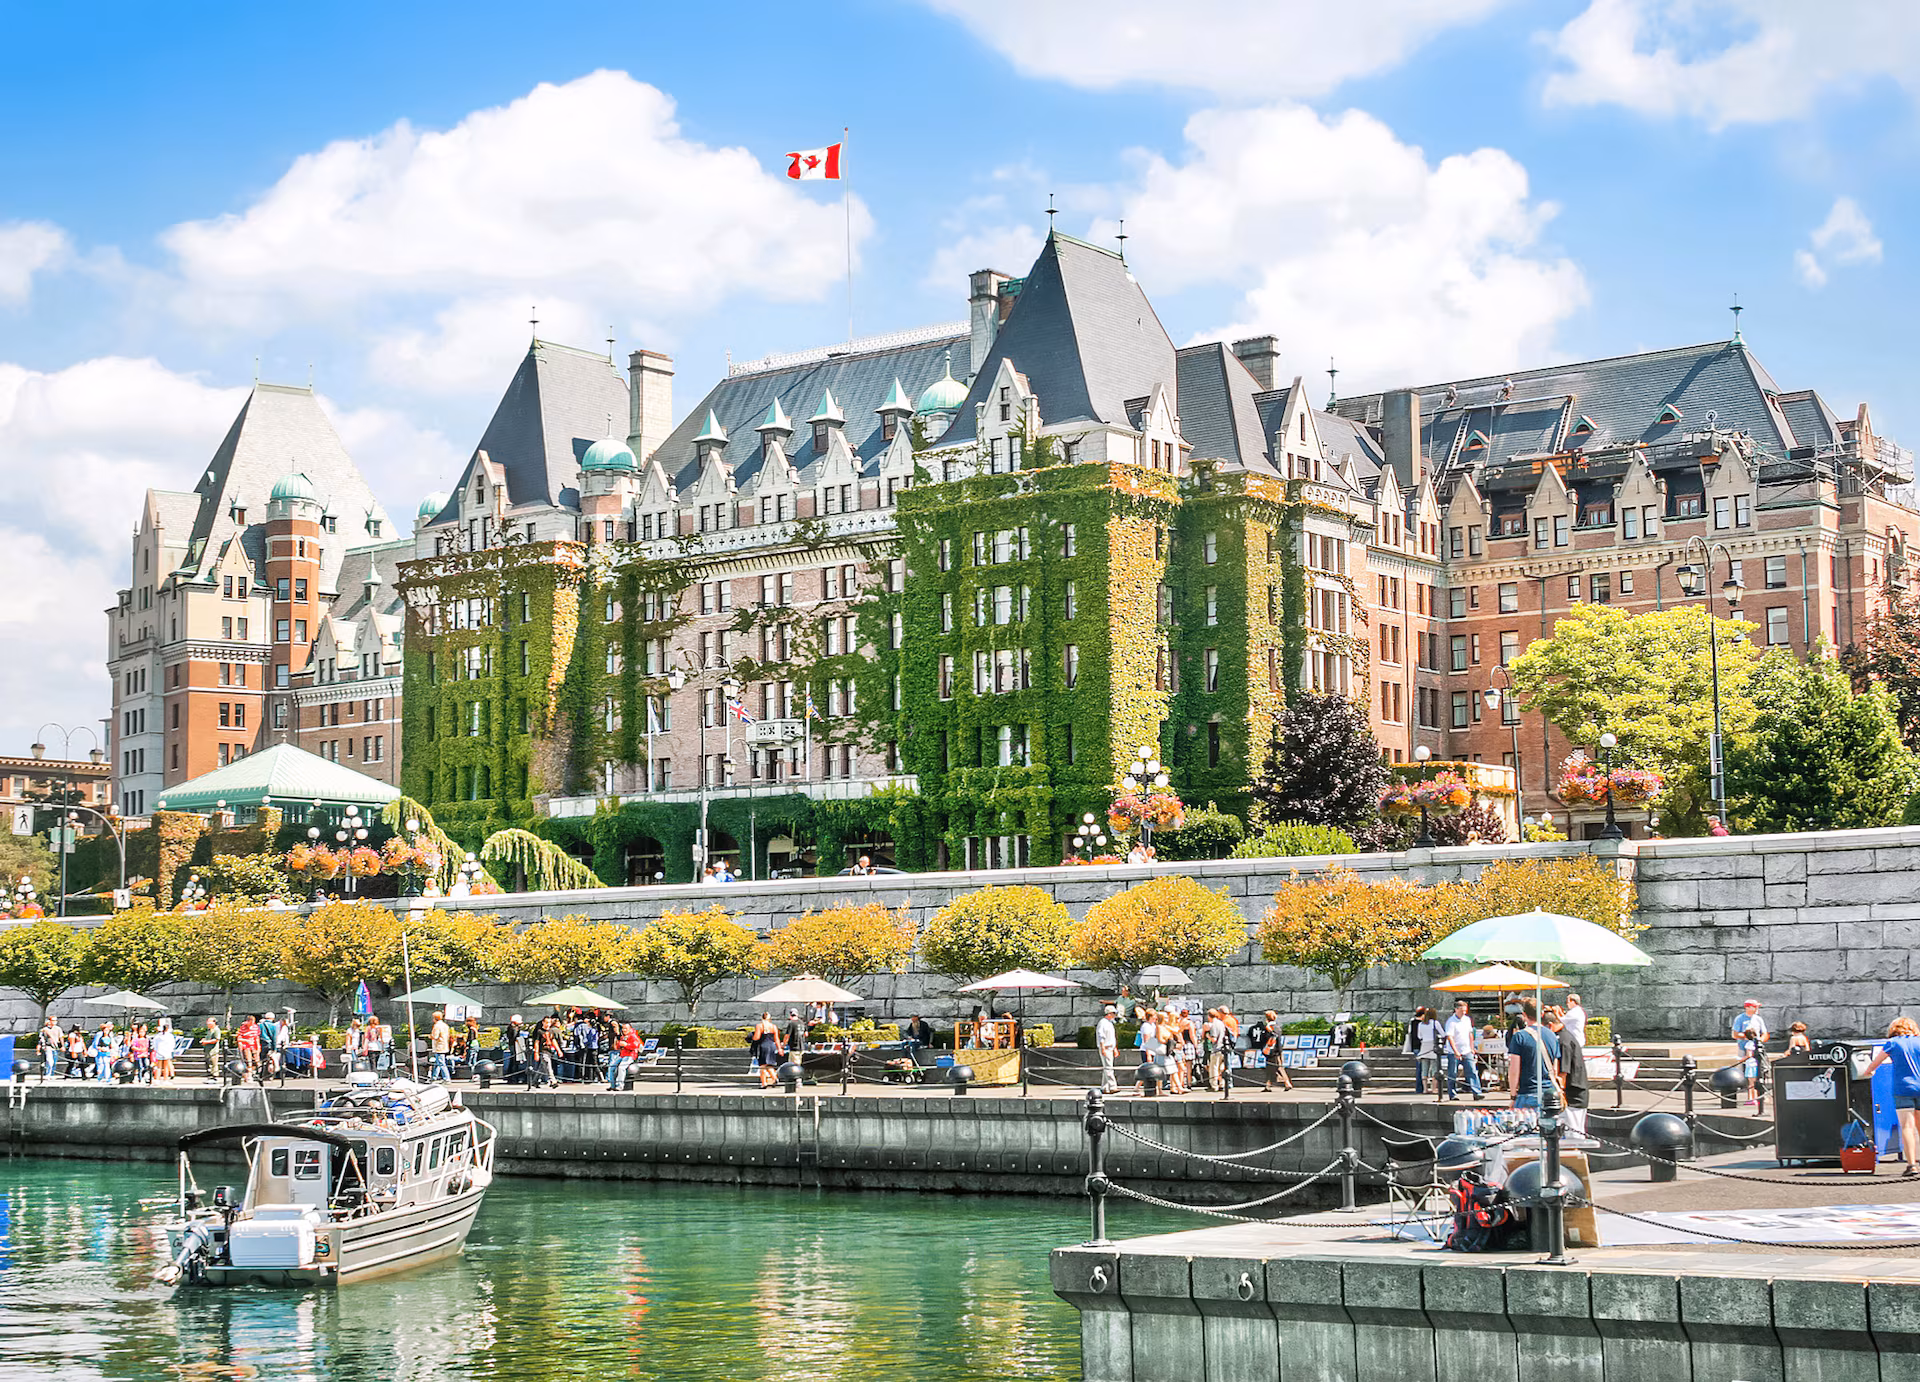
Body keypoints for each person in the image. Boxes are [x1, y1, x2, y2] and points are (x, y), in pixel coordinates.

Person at [1863, 1016, 1920, 1177]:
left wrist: (1868, 1072)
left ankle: (1912, 1165)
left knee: (1907, 1127)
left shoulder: (1893, 1043)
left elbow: (1875, 1063)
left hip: (1903, 1088)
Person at [1505, 998, 1560, 1110]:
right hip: (1549, 1093)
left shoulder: (1520, 1036)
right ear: (1542, 1014)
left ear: (1524, 1014)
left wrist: (1513, 1095)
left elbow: (1514, 1070)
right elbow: (1555, 1068)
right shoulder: (1552, 1035)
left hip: (1527, 1092)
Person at [1544, 1005, 1589, 1134]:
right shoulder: (1565, 1036)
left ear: (1550, 1026)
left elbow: (1563, 1071)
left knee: (1573, 1134)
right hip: (1575, 1092)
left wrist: (1560, 1092)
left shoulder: (1563, 1041)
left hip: (1572, 1094)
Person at [1442, 999, 1483, 1101]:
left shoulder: (1467, 1019)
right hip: (1454, 1051)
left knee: (1472, 1071)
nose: (1463, 1013)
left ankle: (1477, 1092)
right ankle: (1452, 1094)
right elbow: (1450, 1037)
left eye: (1465, 1010)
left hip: (1466, 1050)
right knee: (1453, 1073)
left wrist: (1472, 1047)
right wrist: (1456, 1051)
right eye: (1461, 1010)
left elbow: (1470, 1034)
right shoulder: (1451, 1021)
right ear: (1456, 1009)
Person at [1732, 999, 1770, 1105]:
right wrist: (1748, 1037)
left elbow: (1765, 1033)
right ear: (1748, 1007)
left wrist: (1759, 1041)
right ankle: (1749, 1094)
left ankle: (1760, 1094)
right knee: (1745, 1072)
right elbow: (1735, 1034)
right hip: (1744, 1048)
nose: (1757, 1009)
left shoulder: (1758, 1019)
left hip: (1756, 1049)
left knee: (1761, 1071)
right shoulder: (1740, 1018)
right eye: (1754, 1006)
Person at [1408, 1006, 1441, 1096]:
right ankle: (1434, 1088)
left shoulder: (1421, 1024)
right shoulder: (1435, 1023)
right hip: (1432, 1045)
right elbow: (1443, 1033)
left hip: (1424, 1046)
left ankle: (1425, 1089)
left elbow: (1419, 1036)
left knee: (1424, 1069)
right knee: (1434, 1068)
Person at [750, 1012, 784, 1087]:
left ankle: (764, 1083)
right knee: (769, 1064)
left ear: (762, 1018)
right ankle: (774, 1078)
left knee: (762, 1065)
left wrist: (752, 1037)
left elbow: (756, 1037)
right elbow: (777, 1039)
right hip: (772, 1046)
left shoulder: (760, 1026)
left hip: (763, 1046)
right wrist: (779, 1049)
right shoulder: (774, 1026)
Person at [607, 1022, 643, 1091]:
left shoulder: (633, 1036)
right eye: (623, 1028)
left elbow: (635, 1046)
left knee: (621, 1067)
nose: (624, 1030)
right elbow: (618, 1046)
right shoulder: (623, 1036)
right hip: (622, 1055)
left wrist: (626, 1045)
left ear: (630, 1029)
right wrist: (618, 1043)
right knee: (611, 1067)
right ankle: (612, 1085)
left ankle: (620, 1086)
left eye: (626, 1028)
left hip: (630, 1055)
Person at [1095, 1005, 1119, 1094]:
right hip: (1106, 1047)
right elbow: (1101, 1036)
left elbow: (1112, 1037)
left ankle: (1104, 1087)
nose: (1114, 1015)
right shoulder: (1103, 1023)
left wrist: (1115, 1048)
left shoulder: (1110, 1023)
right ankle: (1113, 1086)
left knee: (1107, 1067)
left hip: (1110, 1047)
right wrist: (1102, 1048)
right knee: (1109, 1068)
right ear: (1109, 1014)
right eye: (1113, 1013)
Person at [1205, 1008, 1229, 1093]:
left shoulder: (1214, 1025)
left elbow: (1214, 1039)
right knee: (1220, 1068)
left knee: (1214, 1068)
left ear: (1209, 1016)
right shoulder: (1221, 1023)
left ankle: (1214, 1085)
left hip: (1216, 1049)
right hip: (1222, 1048)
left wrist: (1207, 1036)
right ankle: (1222, 1084)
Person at [429, 1011, 453, 1083]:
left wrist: (430, 1036)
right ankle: (434, 1077)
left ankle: (447, 1078)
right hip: (444, 1045)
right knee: (438, 1063)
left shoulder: (437, 1026)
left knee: (441, 1063)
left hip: (439, 1047)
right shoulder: (445, 1025)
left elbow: (435, 1036)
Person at [236, 1015, 261, 1082]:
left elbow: (257, 1037)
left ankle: (253, 1074)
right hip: (246, 1047)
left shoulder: (256, 1027)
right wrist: (246, 1041)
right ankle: (248, 1076)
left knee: (256, 1061)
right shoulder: (243, 1027)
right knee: (248, 1061)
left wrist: (258, 1046)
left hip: (254, 1047)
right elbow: (239, 1038)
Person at [153, 1016, 176, 1082]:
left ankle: (157, 1079)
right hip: (167, 1052)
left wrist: (156, 1050)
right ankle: (165, 1079)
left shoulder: (157, 1036)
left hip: (159, 1052)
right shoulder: (169, 1036)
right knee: (166, 1067)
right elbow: (172, 1044)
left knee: (159, 1067)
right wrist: (171, 1050)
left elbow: (154, 1044)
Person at [39, 1015, 60, 1080]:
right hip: (48, 1046)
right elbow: (41, 1039)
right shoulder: (45, 1029)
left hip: (55, 1047)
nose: (55, 1022)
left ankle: (52, 1074)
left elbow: (60, 1037)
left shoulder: (58, 1029)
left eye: (55, 1020)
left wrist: (62, 1045)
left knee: (54, 1061)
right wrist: (42, 1046)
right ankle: (47, 1074)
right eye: (53, 1020)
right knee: (49, 1061)